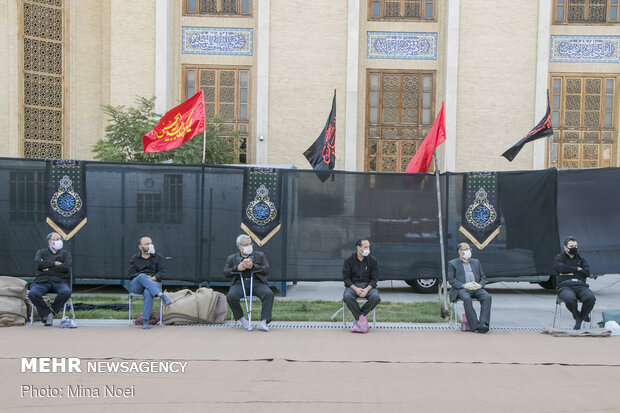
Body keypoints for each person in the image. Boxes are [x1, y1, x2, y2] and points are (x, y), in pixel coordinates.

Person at [224, 234, 274, 332]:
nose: (249, 246)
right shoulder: (232, 258)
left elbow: (266, 269)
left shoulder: (260, 255)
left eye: (250, 243)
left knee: (268, 294)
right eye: (245, 244)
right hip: (239, 283)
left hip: (257, 283)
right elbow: (226, 273)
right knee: (231, 296)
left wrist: (253, 266)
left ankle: (263, 322)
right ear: (239, 246)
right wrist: (237, 268)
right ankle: (243, 321)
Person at [127, 236, 172, 329]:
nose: (150, 245)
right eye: (147, 244)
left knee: (148, 291)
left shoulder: (158, 257)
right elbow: (131, 274)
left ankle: (146, 321)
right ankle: (161, 295)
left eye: (151, 243)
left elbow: (162, 273)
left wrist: (152, 279)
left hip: (154, 283)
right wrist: (144, 278)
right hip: (137, 285)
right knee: (142, 276)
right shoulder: (134, 258)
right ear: (140, 247)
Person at [447, 242, 492, 333]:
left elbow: (483, 277)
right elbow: (451, 279)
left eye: (469, 249)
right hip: (462, 289)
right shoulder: (452, 263)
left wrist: (480, 285)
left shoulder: (476, 262)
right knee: (467, 299)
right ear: (460, 251)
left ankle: (483, 324)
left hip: (476, 287)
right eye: (466, 249)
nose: (469, 251)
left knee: (487, 297)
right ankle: (474, 325)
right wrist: (464, 285)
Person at [30, 232, 72, 326]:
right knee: (33, 293)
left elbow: (66, 267)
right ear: (50, 242)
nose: (59, 241)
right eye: (56, 239)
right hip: (42, 281)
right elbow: (38, 265)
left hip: (59, 281)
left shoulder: (66, 254)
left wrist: (47, 265)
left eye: (60, 239)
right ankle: (46, 313)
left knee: (66, 292)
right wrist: (55, 263)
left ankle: (51, 312)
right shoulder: (41, 252)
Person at [553, 236, 595, 330]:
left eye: (576, 246)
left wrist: (567, 272)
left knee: (590, 298)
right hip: (564, 285)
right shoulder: (559, 258)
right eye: (571, 246)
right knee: (570, 299)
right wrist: (577, 269)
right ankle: (578, 316)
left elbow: (587, 272)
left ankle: (581, 317)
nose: (574, 248)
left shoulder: (582, 259)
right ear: (565, 247)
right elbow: (561, 268)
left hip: (580, 285)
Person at [342, 239, 381, 333]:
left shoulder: (372, 261)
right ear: (358, 247)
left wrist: (366, 290)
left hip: (368, 286)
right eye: (365, 247)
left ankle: (359, 319)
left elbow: (374, 279)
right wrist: (356, 289)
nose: (368, 249)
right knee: (347, 296)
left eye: (369, 247)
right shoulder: (348, 260)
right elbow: (346, 279)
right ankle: (361, 320)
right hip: (353, 286)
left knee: (376, 297)